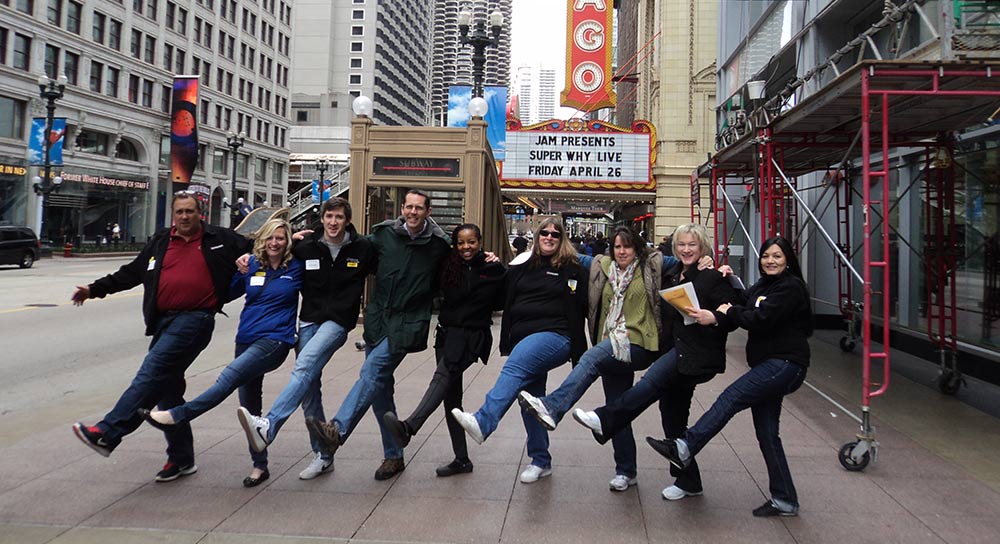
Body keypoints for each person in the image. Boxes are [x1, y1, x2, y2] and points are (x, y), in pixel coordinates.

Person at [70, 192, 248, 482]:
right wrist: (93, 289)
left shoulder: (221, 239)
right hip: (164, 321)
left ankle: (108, 432)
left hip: (196, 320)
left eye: (190, 211)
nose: (185, 216)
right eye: (180, 212)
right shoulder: (162, 241)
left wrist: (297, 239)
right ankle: (181, 459)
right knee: (167, 390)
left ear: (200, 213)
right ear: (173, 215)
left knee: (151, 373)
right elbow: (131, 273)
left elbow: (265, 244)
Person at [518, 226, 700, 491]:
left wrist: (709, 260)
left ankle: (554, 406)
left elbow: (686, 256)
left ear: (637, 248)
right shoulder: (601, 265)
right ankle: (626, 470)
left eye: (627, 246)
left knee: (592, 358)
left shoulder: (653, 263)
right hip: (611, 342)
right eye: (617, 247)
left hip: (641, 343)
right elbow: (563, 253)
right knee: (617, 407)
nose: (622, 251)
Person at [647, 236, 813, 517]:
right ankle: (785, 499)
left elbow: (758, 318)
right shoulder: (762, 285)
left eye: (777, 256)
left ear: (788, 260)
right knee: (767, 434)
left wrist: (732, 311)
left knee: (732, 396)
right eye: (766, 256)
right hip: (768, 365)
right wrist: (728, 277)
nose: (770, 261)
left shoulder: (791, 287)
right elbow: (741, 301)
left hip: (784, 364)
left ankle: (686, 445)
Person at [570, 223, 737, 501]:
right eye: (681, 244)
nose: (686, 249)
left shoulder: (712, 276)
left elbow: (732, 306)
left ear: (703, 247)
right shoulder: (671, 273)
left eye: (692, 245)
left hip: (693, 355)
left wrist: (717, 314)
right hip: (671, 351)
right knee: (672, 418)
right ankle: (689, 481)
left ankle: (606, 418)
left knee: (648, 385)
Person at [140, 218, 302, 487]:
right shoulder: (251, 266)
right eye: (270, 238)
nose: (275, 243)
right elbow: (222, 293)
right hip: (246, 339)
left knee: (228, 376)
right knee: (249, 408)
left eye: (281, 238)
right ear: (262, 240)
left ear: (287, 242)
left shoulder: (296, 268)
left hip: (275, 341)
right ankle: (260, 467)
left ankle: (178, 415)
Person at [305, 189, 452, 480]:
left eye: (418, 208)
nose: (412, 212)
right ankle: (394, 456)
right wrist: (309, 240)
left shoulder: (439, 245)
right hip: (379, 319)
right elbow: (350, 247)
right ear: (402, 208)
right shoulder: (383, 235)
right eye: (408, 207)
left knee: (372, 371)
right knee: (380, 389)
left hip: (408, 322)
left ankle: (337, 428)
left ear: (428, 212)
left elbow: (460, 262)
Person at [236, 197, 375, 481]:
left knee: (304, 366)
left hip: (337, 323)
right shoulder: (305, 246)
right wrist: (248, 256)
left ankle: (269, 426)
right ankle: (324, 456)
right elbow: (273, 250)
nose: (333, 222)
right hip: (309, 319)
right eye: (329, 217)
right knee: (309, 387)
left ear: (347, 220)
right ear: (322, 218)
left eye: (338, 217)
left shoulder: (363, 248)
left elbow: (387, 269)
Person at [451, 217, 589, 484]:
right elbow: (497, 282)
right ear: (537, 237)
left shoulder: (574, 267)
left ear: (562, 240)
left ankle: (484, 420)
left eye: (555, 234)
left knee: (515, 367)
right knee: (530, 400)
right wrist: (485, 258)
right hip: (523, 338)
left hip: (556, 337)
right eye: (544, 233)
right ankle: (541, 460)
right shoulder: (522, 265)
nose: (549, 237)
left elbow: (609, 266)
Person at [382, 223, 506, 477]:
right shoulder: (448, 266)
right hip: (447, 334)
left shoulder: (494, 268)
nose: (466, 247)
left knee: (443, 376)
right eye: (461, 242)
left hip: (472, 337)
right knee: (450, 397)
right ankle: (462, 459)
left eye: (471, 242)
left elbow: (503, 299)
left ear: (480, 242)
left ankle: (409, 427)